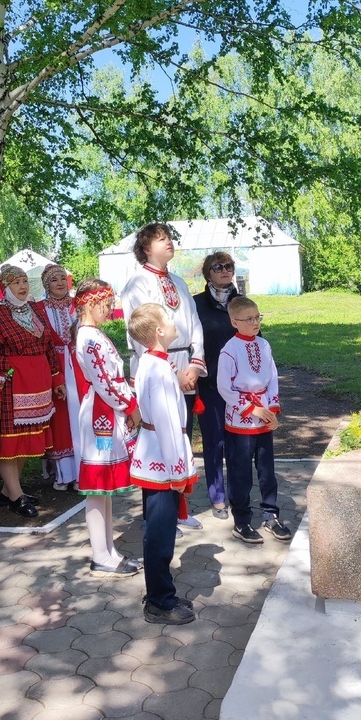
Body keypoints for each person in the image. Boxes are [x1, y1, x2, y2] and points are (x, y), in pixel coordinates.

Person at [121, 223, 206, 530]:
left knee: (181, 435)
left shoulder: (180, 281)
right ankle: (156, 515)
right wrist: (173, 373)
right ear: (146, 248)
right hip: (157, 370)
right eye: (162, 239)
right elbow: (140, 336)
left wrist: (194, 367)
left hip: (186, 367)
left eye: (169, 238)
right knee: (158, 438)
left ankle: (179, 510)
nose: (169, 243)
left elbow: (194, 323)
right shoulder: (136, 284)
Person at [129, 303, 198, 624]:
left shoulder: (154, 363)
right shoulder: (156, 369)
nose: (174, 323)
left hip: (157, 455)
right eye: (168, 319)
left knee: (160, 530)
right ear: (159, 331)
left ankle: (161, 590)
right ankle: (159, 600)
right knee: (159, 533)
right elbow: (168, 423)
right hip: (162, 459)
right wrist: (178, 471)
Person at [0, 263, 64, 517]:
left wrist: (57, 379)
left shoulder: (35, 311)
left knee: (28, 439)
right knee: (10, 442)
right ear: (5, 287)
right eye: (16, 283)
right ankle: (16, 495)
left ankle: (9, 492)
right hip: (12, 386)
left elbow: (49, 346)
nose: (22, 287)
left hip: (37, 385)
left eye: (25, 282)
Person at [74, 278, 141, 577]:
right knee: (97, 488)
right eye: (107, 302)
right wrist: (131, 405)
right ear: (90, 302)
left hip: (107, 412)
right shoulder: (88, 338)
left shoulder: (94, 334)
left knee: (104, 489)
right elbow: (105, 381)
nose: (111, 307)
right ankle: (100, 554)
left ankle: (107, 549)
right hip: (101, 416)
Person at [217, 296, 291, 545]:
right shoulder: (229, 350)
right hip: (240, 421)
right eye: (248, 319)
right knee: (240, 473)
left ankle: (271, 514)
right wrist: (251, 409)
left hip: (263, 418)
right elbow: (224, 388)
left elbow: (272, 378)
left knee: (267, 470)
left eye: (257, 317)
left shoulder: (264, 345)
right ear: (234, 322)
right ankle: (242, 521)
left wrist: (271, 409)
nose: (255, 322)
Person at [193, 251, 239, 519]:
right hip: (210, 384)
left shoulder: (241, 302)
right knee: (215, 441)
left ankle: (237, 493)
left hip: (239, 386)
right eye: (218, 266)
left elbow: (256, 337)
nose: (225, 270)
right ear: (208, 273)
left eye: (229, 266)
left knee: (237, 441)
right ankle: (217, 497)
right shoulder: (197, 304)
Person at [34, 263, 80, 491]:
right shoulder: (39, 309)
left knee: (81, 412)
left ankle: (84, 469)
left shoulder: (78, 305)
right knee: (61, 416)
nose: (61, 283)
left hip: (79, 362)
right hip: (54, 364)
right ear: (46, 285)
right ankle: (65, 473)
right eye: (54, 280)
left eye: (63, 278)